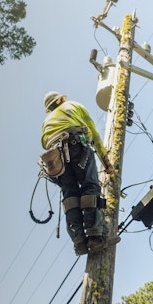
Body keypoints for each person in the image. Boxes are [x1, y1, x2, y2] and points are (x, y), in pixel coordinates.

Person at [40, 91, 116, 255]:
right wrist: (106, 162)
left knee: (70, 196)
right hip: (76, 144)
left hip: (55, 159)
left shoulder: (46, 122)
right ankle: (95, 237)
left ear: (49, 108)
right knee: (90, 186)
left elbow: (44, 143)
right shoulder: (73, 106)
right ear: (61, 99)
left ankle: (79, 242)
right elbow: (93, 134)